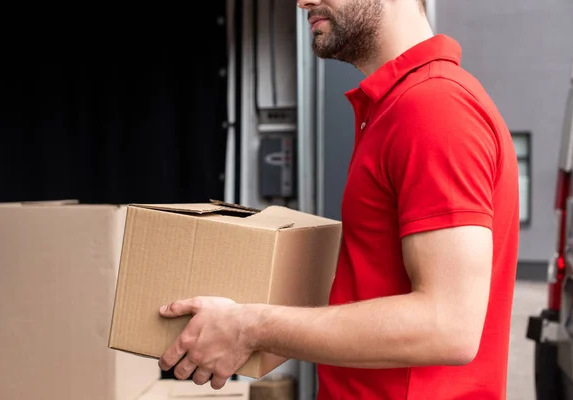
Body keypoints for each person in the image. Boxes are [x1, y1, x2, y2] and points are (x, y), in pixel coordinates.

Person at [157, 0, 520, 398]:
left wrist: (250, 326)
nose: (302, 1)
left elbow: (448, 327)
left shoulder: (433, 108)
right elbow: (376, 289)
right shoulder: (395, 106)